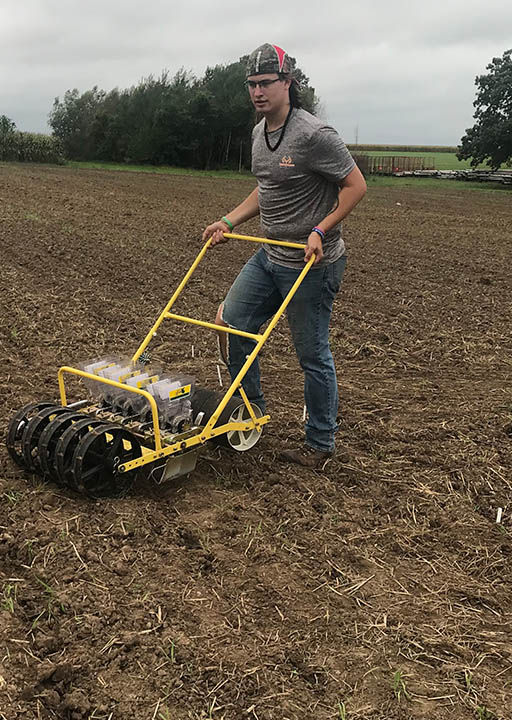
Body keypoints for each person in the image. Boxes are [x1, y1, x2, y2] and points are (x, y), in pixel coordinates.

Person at [201, 42, 367, 470]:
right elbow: (267, 187)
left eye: (266, 83)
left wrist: (319, 229)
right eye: (252, 85)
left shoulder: (314, 135)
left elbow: (355, 186)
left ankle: (320, 443)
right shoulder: (259, 133)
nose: (258, 92)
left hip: (313, 263)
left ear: (288, 83)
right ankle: (250, 412)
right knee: (231, 320)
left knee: (311, 353)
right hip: (270, 254)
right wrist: (229, 221)